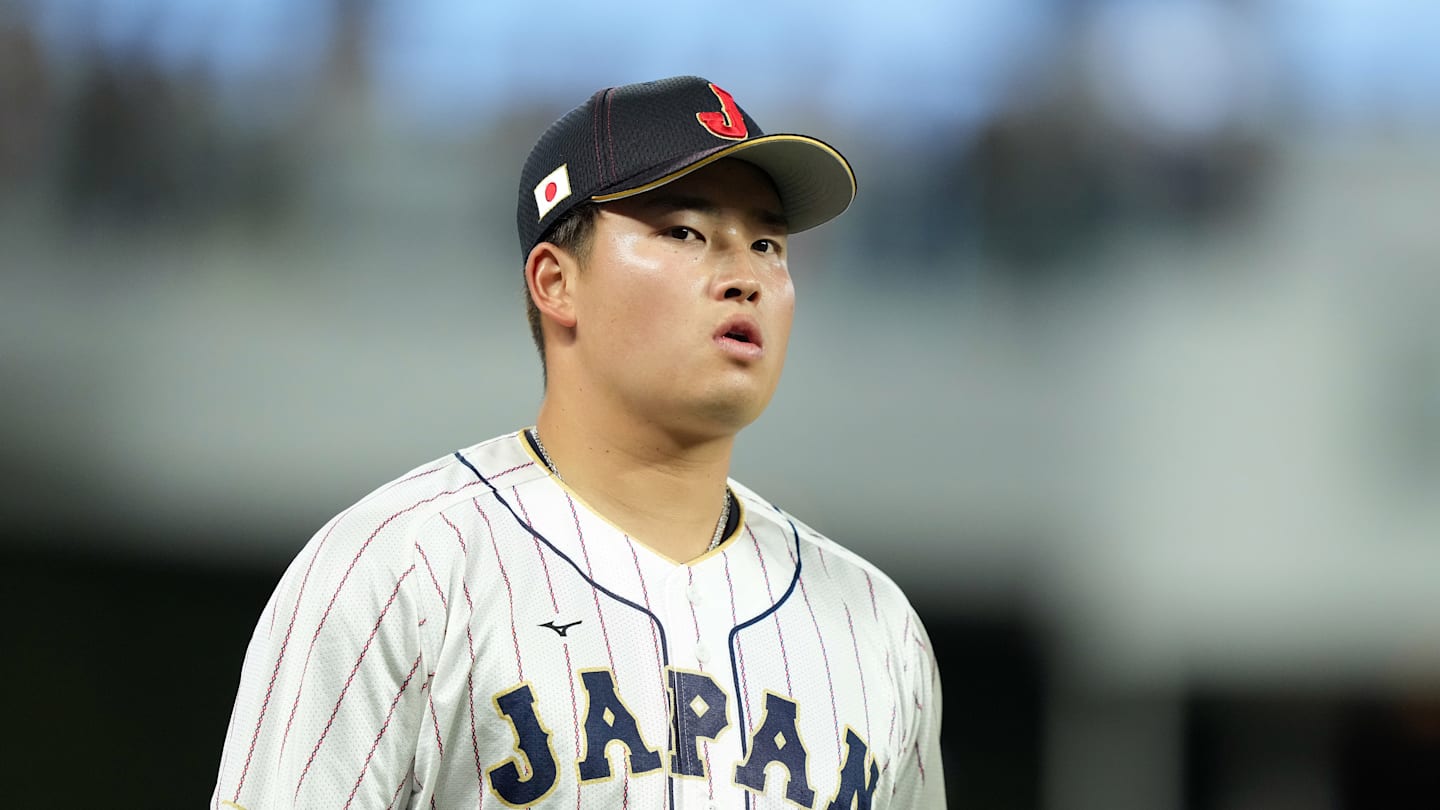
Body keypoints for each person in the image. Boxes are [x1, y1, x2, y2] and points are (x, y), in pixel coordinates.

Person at [212, 75, 944, 810]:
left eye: (766, 242)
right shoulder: (400, 572)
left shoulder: (875, 627)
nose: (745, 276)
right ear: (556, 282)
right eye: (685, 231)